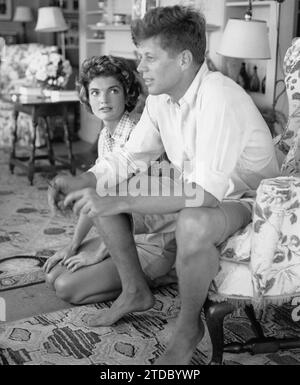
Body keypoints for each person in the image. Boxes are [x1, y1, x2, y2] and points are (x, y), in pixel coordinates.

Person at [48, 6, 279, 365]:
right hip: (199, 192)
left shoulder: (220, 96)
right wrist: (80, 180)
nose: (139, 68)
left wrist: (121, 200)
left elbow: (204, 195)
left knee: (192, 219)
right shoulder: (159, 100)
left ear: (184, 59)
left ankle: (189, 327)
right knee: (107, 190)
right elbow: (127, 159)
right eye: (140, 57)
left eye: (149, 58)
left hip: (247, 201)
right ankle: (134, 290)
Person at [44, 55, 177, 306]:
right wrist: (73, 245)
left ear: (126, 93)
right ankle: (133, 276)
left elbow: (132, 210)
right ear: (87, 97)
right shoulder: (106, 136)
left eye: (112, 90)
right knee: (53, 274)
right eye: (95, 92)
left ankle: (161, 276)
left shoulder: (141, 135)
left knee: (66, 287)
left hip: (154, 241)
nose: (103, 100)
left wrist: (97, 254)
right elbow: (96, 194)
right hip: (126, 236)